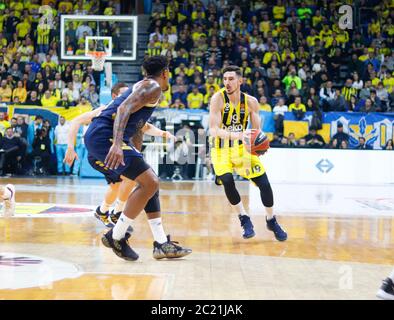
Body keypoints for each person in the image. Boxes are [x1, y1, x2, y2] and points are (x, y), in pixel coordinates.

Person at [84, 56, 192, 261]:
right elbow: (123, 110)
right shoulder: (153, 87)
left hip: (104, 135)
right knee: (149, 181)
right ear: (166, 73)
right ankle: (116, 236)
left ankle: (161, 244)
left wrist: (133, 150)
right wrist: (116, 144)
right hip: (103, 136)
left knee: (150, 183)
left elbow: (136, 124)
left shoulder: (146, 86)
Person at [64, 82, 176, 227]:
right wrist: (70, 147)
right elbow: (76, 121)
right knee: (130, 179)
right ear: (115, 96)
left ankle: (102, 211)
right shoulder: (104, 110)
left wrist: (163, 133)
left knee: (117, 185)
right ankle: (117, 214)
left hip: (114, 150)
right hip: (100, 151)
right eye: (125, 93)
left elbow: (145, 126)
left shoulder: (132, 111)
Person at [209, 65, 287, 241]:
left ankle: (271, 220)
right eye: (225, 79)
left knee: (264, 183)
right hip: (220, 148)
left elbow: (257, 131)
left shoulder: (251, 102)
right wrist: (237, 134)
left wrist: (257, 146)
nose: (227, 83)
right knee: (228, 180)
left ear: (240, 81)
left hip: (241, 149)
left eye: (231, 79)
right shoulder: (217, 99)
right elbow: (213, 130)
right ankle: (244, 218)